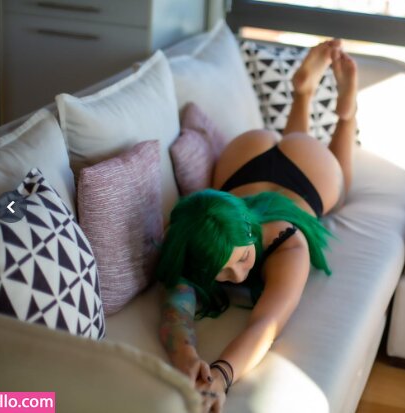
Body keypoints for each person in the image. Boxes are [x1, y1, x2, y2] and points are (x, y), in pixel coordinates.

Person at [155, 39, 358, 413]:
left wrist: (220, 376)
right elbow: (174, 312)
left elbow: (266, 323)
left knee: (341, 193)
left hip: (276, 161)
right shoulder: (197, 235)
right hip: (245, 158)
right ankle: (304, 93)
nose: (238, 276)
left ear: (251, 232)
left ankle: (345, 112)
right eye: (223, 270)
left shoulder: (287, 242)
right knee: (299, 145)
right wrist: (186, 358)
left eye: (242, 259)